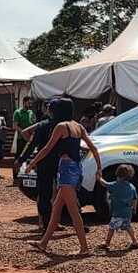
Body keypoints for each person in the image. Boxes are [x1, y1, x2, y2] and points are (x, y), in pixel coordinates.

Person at [29, 98, 103, 256]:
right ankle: (43, 243)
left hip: (66, 170)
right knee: (56, 209)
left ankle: (84, 248)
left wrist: (32, 163)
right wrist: (99, 169)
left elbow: (47, 149)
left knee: (73, 211)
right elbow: (94, 148)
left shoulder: (61, 126)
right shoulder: (78, 126)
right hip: (76, 168)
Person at [23, 103, 58, 228]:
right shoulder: (58, 124)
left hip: (42, 161)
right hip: (53, 162)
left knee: (45, 194)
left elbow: (25, 132)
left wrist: (27, 156)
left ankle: (44, 222)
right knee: (51, 194)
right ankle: (47, 222)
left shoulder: (42, 124)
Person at [100, 163, 138, 252]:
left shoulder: (115, 185)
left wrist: (99, 177)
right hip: (127, 211)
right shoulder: (132, 187)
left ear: (118, 174)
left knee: (112, 227)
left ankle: (107, 243)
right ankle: (135, 241)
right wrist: (134, 208)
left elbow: (105, 184)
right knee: (128, 227)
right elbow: (135, 199)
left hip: (118, 212)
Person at [11, 97, 36, 183]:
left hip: (29, 139)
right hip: (21, 139)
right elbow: (15, 126)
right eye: (29, 102)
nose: (30, 104)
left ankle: (26, 176)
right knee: (19, 157)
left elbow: (33, 124)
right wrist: (23, 133)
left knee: (29, 157)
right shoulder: (17, 112)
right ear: (24, 102)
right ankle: (15, 177)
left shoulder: (31, 112)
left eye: (31, 103)